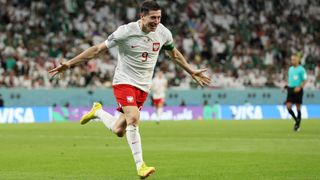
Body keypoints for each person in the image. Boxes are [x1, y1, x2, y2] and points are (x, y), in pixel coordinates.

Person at [48, 1, 211, 179]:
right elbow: (97, 50)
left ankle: (98, 112)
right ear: (142, 16)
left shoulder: (163, 33)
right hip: (124, 81)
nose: (156, 21)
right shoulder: (125, 31)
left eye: (159, 17)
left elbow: (174, 54)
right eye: (153, 17)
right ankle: (141, 165)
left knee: (119, 130)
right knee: (134, 117)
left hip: (143, 86)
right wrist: (70, 64)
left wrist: (191, 71)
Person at [285, 53, 307, 132]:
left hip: (298, 90)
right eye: (291, 59)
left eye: (294, 59)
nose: (292, 61)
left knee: (298, 107)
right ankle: (295, 119)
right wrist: (285, 86)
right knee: (288, 106)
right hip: (291, 89)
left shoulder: (301, 69)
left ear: (298, 60)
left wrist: (300, 87)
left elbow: (305, 80)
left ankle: (297, 125)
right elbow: (290, 80)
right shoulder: (290, 69)